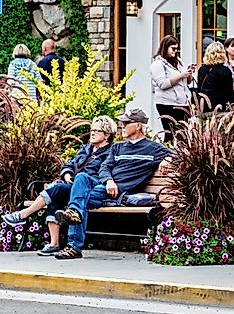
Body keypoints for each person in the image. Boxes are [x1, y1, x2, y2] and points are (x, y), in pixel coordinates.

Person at [51, 108, 172, 260]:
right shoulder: (117, 147)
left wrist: (167, 159)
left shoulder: (153, 148)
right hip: (105, 186)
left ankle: (73, 247)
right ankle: (74, 218)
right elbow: (104, 167)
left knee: (79, 201)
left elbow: (177, 155)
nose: (122, 125)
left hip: (120, 192)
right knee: (81, 177)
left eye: (126, 123)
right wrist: (109, 181)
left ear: (138, 126)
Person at [2, 115, 117, 255]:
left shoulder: (110, 152)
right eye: (91, 130)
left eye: (97, 131)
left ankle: (23, 215)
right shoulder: (85, 149)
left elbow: (104, 173)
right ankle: (54, 244)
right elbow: (70, 163)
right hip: (72, 185)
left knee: (57, 189)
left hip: (88, 189)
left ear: (107, 135)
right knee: (56, 196)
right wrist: (67, 174)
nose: (92, 133)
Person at [150, 35, 194, 141]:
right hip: (167, 103)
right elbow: (163, 84)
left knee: (183, 135)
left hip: (183, 103)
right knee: (170, 133)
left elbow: (187, 82)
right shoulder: (158, 64)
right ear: (165, 47)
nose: (175, 52)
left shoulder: (178, 62)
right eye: (173, 49)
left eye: (177, 49)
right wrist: (181, 75)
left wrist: (189, 73)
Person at [195, 40, 234, 112]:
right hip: (219, 107)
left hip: (203, 107)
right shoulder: (224, 70)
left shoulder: (201, 69)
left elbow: (199, 88)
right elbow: (229, 92)